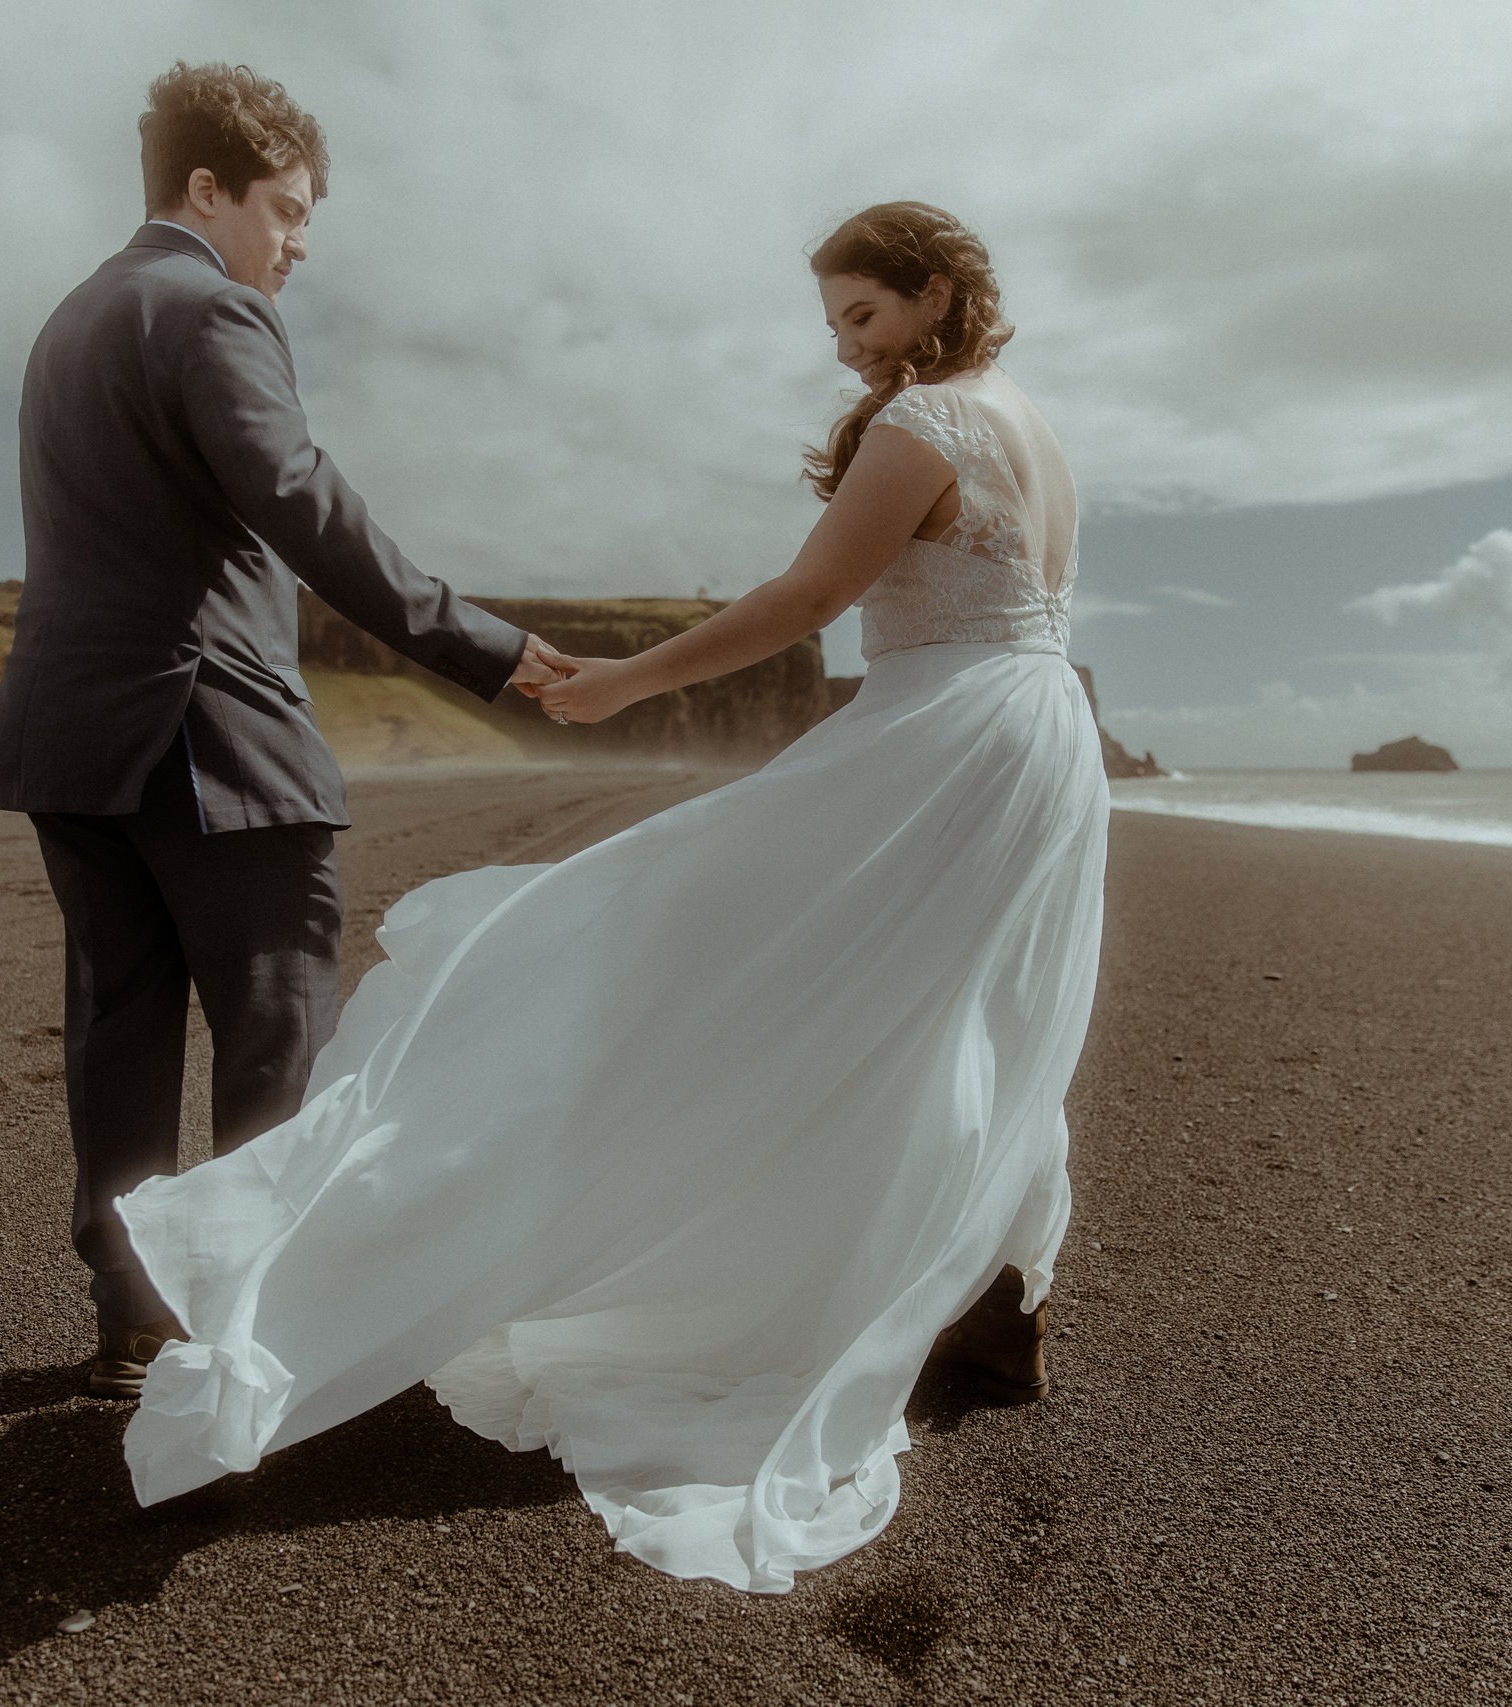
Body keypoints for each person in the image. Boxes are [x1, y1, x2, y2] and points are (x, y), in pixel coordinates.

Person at [118, 200, 1111, 1594]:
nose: (847, 349)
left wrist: (625, 682)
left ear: (938, 292)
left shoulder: (926, 426)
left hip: (945, 737)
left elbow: (803, 601)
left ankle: (857, 1278)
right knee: (972, 1010)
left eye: (866, 317)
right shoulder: (1034, 426)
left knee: (723, 955)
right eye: (834, 327)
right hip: (1043, 737)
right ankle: (995, 1299)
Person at [0, 63, 570, 1398]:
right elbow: (300, 501)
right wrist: (491, 649)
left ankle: (130, 1314)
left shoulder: (71, 318)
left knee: (120, 1021)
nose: (296, 247)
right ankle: (248, 1324)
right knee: (276, 1019)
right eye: (285, 211)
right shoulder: (209, 307)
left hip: (68, 730)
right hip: (206, 733)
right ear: (208, 189)